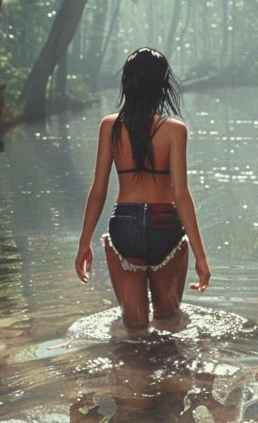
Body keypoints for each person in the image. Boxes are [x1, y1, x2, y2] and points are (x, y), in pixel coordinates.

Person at [75, 47, 210, 333]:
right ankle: (170, 377)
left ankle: (132, 376)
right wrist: (201, 256)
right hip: (165, 226)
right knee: (169, 321)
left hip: (124, 226)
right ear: (162, 85)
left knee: (133, 328)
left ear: (127, 83)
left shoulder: (109, 127)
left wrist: (84, 243)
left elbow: (98, 190)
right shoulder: (175, 130)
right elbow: (182, 194)